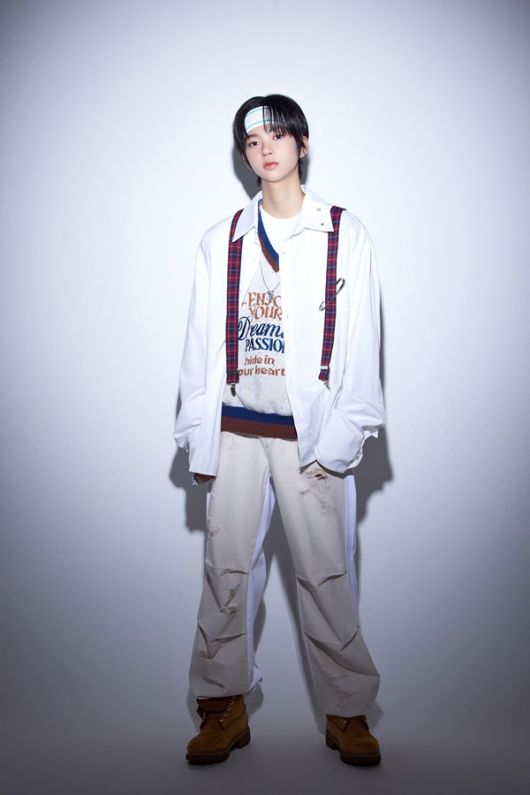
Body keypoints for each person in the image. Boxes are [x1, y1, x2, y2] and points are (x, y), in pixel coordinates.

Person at [174, 94, 386, 766]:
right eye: (252, 140)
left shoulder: (343, 233)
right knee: (226, 571)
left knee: (326, 574)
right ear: (244, 154)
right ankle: (222, 706)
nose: (265, 148)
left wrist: (341, 440)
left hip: (310, 438)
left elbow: (362, 345)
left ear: (302, 141)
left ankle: (347, 711)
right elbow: (199, 346)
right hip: (235, 432)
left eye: (276, 135)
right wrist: (197, 434)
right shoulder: (222, 239)